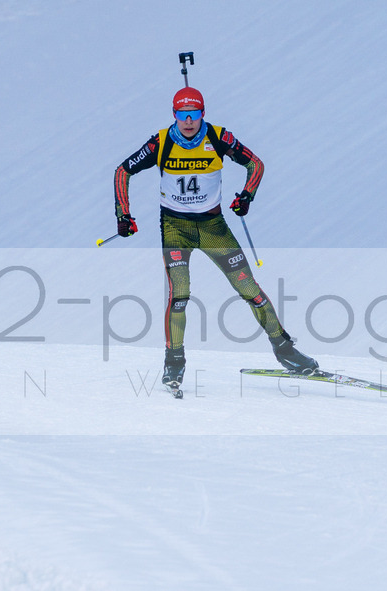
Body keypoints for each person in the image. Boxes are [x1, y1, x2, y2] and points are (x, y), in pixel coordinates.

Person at [113, 86, 318, 390]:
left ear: (202, 113)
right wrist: (123, 214)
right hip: (175, 228)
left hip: (213, 227)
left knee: (249, 288)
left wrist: (246, 196)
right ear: (174, 115)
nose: (188, 121)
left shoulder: (218, 137)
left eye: (194, 114)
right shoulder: (161, 142)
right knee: (179, 295)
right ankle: (174, 362)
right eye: (182, 115)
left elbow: (255, 164)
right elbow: (122, 171)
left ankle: (286, 350)